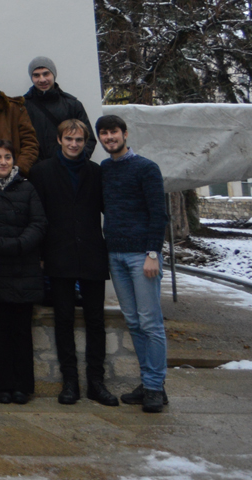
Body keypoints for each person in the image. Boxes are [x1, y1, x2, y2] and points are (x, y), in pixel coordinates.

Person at [30, 118, 117, 406]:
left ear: (85, 142)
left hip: (92, 253)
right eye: (69, 139)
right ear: (59, 140)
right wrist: (41, 254)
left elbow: (109, 209)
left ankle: (96, 381)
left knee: (95, 321)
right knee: (63, 320)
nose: (74, 144)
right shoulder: (42, 172)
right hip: (59, 253)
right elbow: (38, 216)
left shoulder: (96, 172)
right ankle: (70, 382)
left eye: (79, 140)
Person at [98, 114, 169, 413]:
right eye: (104, 133)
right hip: (115, 254)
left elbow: (158, 213)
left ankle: (155, 387)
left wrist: (153, 253)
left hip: (143, 256)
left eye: (114, 132)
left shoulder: (146, 168)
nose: (109, 138)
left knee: (151, 322)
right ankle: (149, 383)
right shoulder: (104, 169)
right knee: (135, 322)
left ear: (125, 134)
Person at [0, 138, 46, 405]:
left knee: (22, 331)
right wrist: (0, 244)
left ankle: (22, 386)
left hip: (24, 267)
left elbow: (39, 222)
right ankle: (1, 385)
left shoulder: (27, 188)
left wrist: (19, 244)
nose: (3, 162)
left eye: (7, 157)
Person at [23, 57, 97, 163]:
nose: (42, 79)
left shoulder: (72, 104)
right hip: (36, 171)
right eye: (36, 75)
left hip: (68, 169)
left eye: (46, 74)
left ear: (54, 74)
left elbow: (88, 139)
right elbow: (18, 141)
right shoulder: (23, 105)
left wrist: (76, 162)